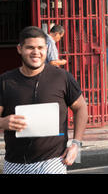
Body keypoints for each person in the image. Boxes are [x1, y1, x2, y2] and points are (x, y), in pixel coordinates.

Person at [0, 26, 88, 174]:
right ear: (19, 49)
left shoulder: (62, 77)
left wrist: (76, 144)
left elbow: (81, 107)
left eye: (40, 47)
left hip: (53, 161)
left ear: (47, 49)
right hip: (15, 163)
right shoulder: (5, 81)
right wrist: (3, 122)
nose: (36, 52)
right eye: (30, 47)